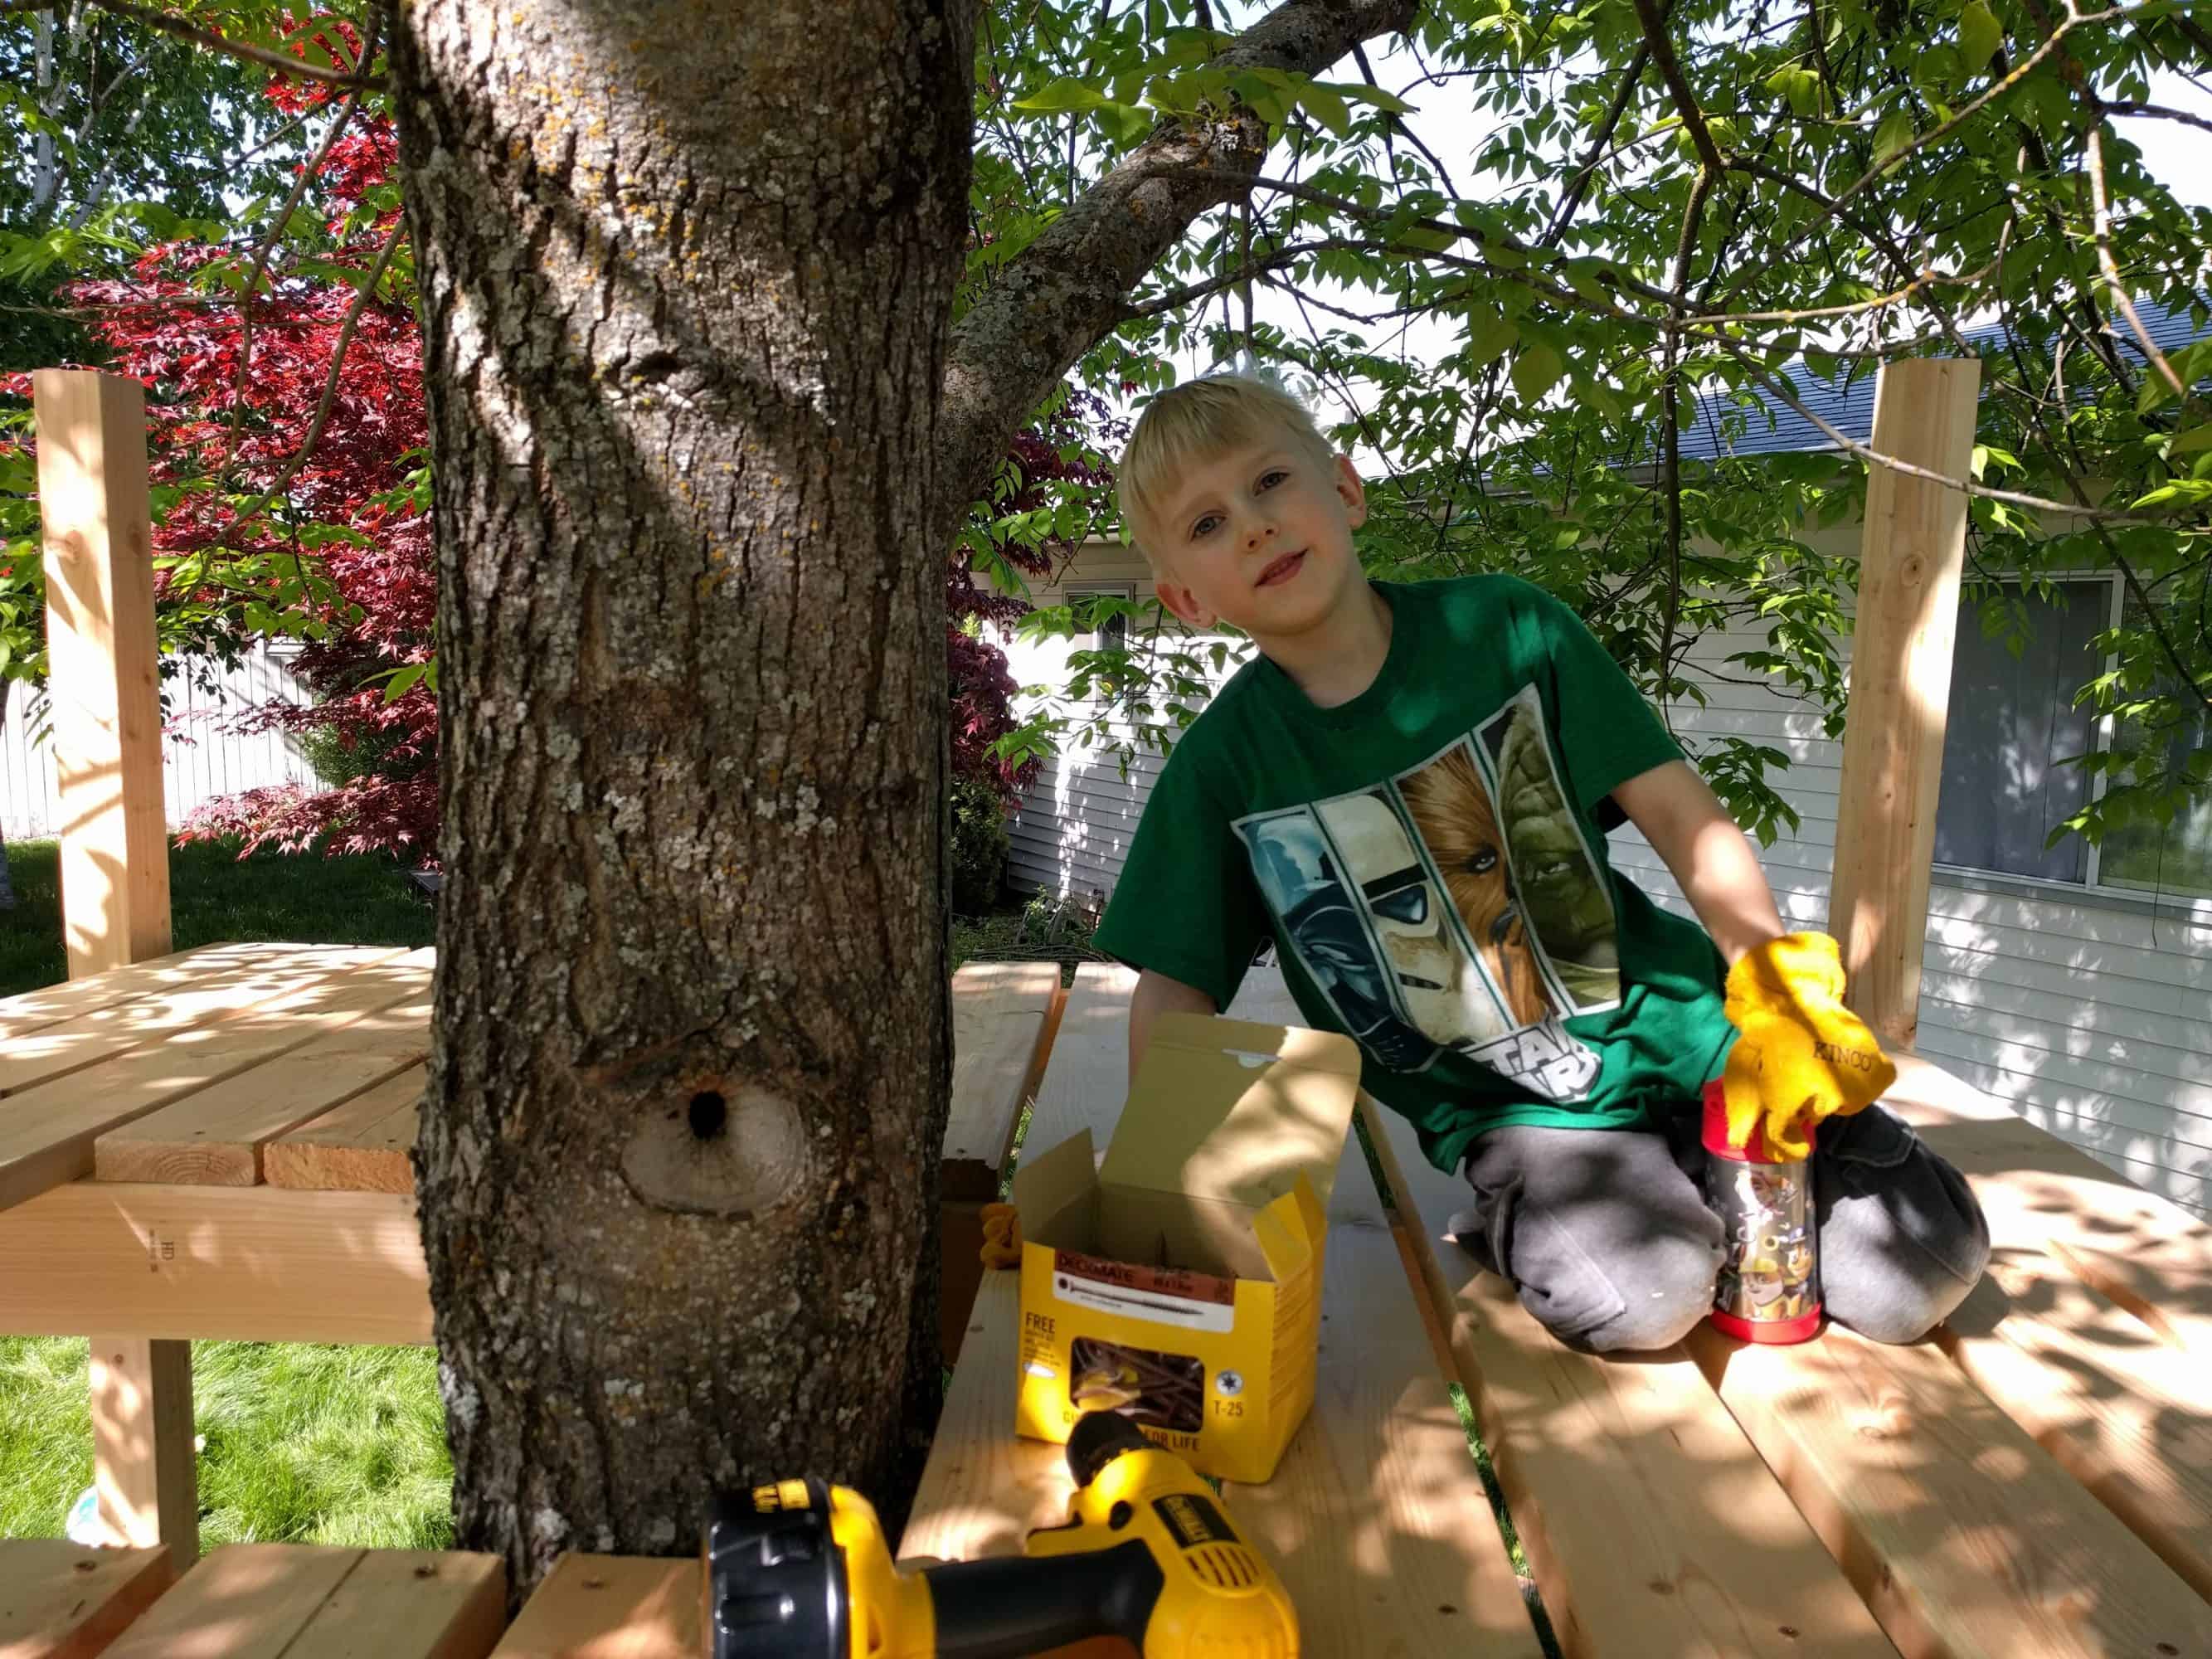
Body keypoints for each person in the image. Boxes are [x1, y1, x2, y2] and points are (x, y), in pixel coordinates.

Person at [1090, 372, 1988, 1352]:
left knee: (1928, 1268)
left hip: (1698, 1037)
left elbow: (1683, 816)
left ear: (1346, 489)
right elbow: (1173, 992)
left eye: (1269, 481)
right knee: (1644, 1299)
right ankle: (1528, 1208)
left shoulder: (1510, 628)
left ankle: (1728, 1175)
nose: (1255, 526)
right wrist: (1161, 1197)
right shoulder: (1224, 769)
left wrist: (1769, 971)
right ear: (1186, 599)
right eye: (1209, 522)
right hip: (1527, 1117)